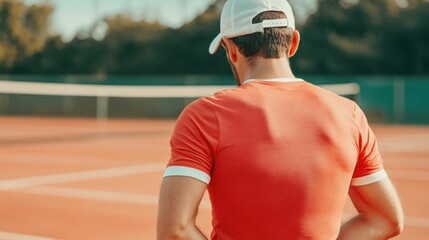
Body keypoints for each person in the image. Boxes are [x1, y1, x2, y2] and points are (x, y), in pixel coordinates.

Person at [157, 0, 404, 239]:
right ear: (293, 42)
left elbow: (175, 230)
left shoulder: (204, 115)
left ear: (231, 50)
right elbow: (386, 219)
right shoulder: (349, 114)